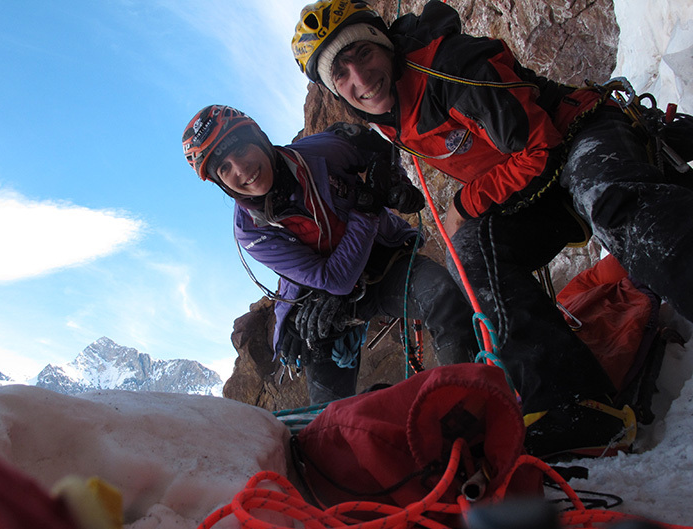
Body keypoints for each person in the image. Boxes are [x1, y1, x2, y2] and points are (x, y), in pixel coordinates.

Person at [291, 0, 693, 456]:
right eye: (340, 73)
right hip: (542, 189)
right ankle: (574, 405)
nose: (360, 79)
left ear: (385, 46)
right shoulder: (392, 117)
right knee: (469, 253)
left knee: (609, 200)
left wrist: (465, 201)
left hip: (579, 135)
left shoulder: (449, 67)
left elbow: (540, 147)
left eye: (363, 54)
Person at [182, 105, 478, 404]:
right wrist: (367, 208)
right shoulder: (250, 231)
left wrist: (395, 182)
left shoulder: (322, 152)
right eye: (225, 169)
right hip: (320, 299)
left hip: (385, 262)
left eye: (241, 149)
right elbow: (333, 279)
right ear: (220, 182)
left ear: (258, 137)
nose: (241, 169)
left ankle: (472, 407)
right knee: (328, 409)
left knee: (443, 294)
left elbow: (379, 148)